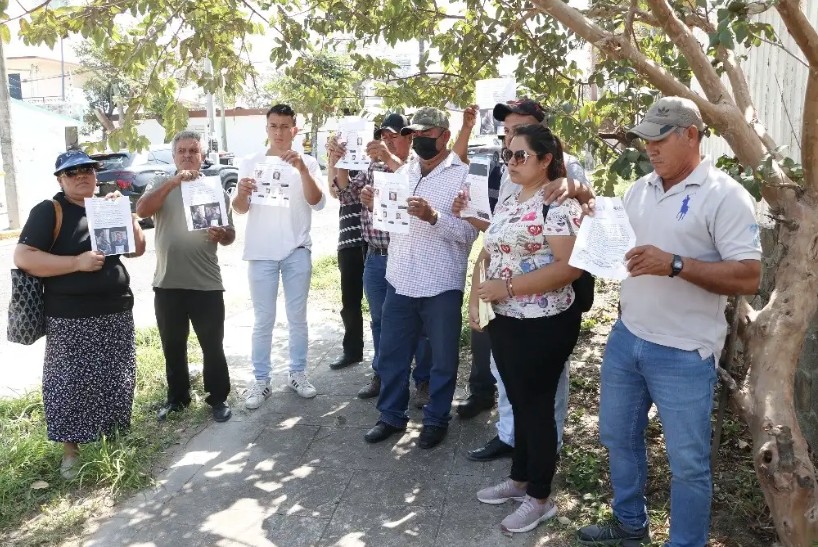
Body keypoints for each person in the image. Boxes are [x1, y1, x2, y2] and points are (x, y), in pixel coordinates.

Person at [577, 97, 762, 547]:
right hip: (628, 338)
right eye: (646, 141)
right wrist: (594, 220)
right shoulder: (639, 189)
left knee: (688, 464)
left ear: (691, 135)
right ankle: (629, 523)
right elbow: (621, 249)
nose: (650, 149)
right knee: (618, 437)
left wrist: (676, 264)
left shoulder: (725, 195)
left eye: (660, 139)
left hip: (685, 350)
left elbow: (749, 277)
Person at [453, 99, 594, 463]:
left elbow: (586, 213)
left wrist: (576, 186)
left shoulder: (563, 166)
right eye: (506, 134)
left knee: (545, 393)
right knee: (510, 382)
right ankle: (513, 441)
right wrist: (468, 216)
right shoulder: (510, 173)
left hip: (546, 310)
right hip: (506, 311)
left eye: (518, 130)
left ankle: (544, 455)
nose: (511, 144)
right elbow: (504, 234)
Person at [468, 124, 584, 533]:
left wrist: (508, 287)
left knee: (537, 407)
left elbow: (569, 268)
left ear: (546, 159)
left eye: (521, 155)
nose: (511, 162)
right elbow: (488, 252)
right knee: (518, 400)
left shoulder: (558, 204)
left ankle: (539, 496)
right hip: (506, 319)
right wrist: (476, 297)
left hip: (544, 323)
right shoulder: (511, 198)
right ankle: (519, 478)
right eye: (507, 154)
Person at [14, 150, 146, 479]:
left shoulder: (106, 206)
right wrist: (76, 263)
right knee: (69, 384)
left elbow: (137, 249)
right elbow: (24, 257)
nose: (82, 175)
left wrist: (128, 216)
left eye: (87, 169)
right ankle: (71, 452)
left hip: (115, 311)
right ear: (61, 180)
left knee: (116, 377)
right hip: (70, 318)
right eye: (72, 172)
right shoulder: (50, 210)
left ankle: (113, 438)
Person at [361, 107, 478, 449]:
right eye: (416, 134)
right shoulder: (404, 171)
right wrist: (374, 204)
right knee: (392, 354)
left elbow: (469, 235)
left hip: (441, 283)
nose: (420, 140)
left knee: (442, 360)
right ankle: (391, 416)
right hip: (400, 278)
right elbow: (391, 221)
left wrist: (433, 216)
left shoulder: (464, 177)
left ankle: (436, 419)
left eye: (427, 134)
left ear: (445, 136)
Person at [326, 113, 433, 403]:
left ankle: (423, 381)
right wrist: (340, 161)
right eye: (383, 136)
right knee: (379, 321)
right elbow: (346, 195)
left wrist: (388, 159)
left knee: (418, 323)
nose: (386, 141)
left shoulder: (417, 166)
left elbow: (415, 193)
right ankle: (382, 374)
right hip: (375, 256)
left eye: (393, 136)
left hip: (408, 257)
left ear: (409, 137)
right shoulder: (371, 165)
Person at [135, 131, 236, 423]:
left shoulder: (215, 190)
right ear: (174, 156)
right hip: (167, 283)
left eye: (194, 151)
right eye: (182, 151)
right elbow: (142, 210)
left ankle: (218, 398)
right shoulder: (160, 183)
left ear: (202, 156)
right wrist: (173, 182)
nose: (188, 155)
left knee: (212, 345)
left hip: (206, 283)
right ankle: (177, 398)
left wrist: (222, 234)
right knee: (173, 346)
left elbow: (230, 235)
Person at [233, 104, 325, 407]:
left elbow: (317, 202)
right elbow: (240, 208)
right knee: (263, 319)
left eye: (285, 126)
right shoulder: (251, 162)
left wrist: (301, 169)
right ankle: (261, 380)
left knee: (297, 317)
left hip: (296, 250)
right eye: (274, 126)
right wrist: (242, 193)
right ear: (267, 128)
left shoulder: (308, 162)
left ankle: (298, 373)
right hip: (261, 253)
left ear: (294, 130)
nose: (279, 132)